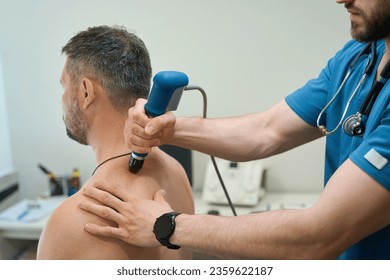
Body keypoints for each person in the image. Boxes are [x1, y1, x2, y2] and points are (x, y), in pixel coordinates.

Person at [79, 0, 390, 260]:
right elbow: (266, 131)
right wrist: (169, 130)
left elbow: (319, 236)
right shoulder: (358, 55)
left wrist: (167, 225)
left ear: (85, 91)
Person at [36, 25, 194, 260]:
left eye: (64, 86)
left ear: (86, 92)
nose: (62, 98)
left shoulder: (71, 219)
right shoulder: (176, 172)